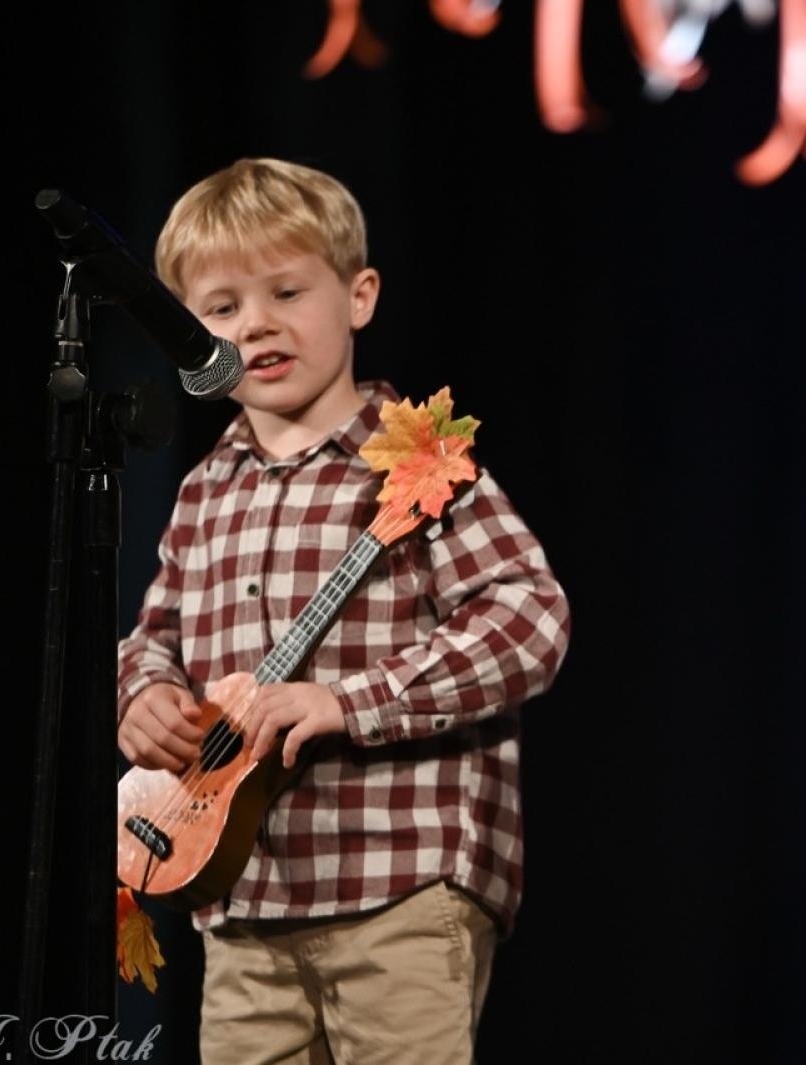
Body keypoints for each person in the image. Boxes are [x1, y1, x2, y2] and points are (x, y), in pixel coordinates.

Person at [116, 157, 571, 1064]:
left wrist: (352, 701)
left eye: (288, 289)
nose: (257, 323)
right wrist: (143, 697)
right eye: (221, 308)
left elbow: (528, 617)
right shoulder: (207, 488)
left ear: (359, 296)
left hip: (395, 881)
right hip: (241, 897)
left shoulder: (417, 458)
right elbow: (154, 636)